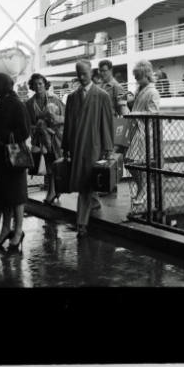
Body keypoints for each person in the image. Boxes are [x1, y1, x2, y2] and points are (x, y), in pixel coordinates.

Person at [61, 59, 114, 238]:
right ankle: (92, 211)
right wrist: (66, 147)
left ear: (91, 72)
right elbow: (68, 124)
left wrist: (107, 147)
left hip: (94, 145)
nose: (82, 77)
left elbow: (107, 123)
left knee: (85, 185)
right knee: (86, 184)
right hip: (77, 146)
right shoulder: (72, 97)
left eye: (84, 73)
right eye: (79, 74)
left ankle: (81, 222)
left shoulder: (102, 96)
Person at [0, 72, 30, 252]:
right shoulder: (3, 104)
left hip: (12, 157)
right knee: (5, 196)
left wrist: (5, 139)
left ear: (1, 86)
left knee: (16, 196)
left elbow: (24, 132)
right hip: (2, 159)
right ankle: (7, 229)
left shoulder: (16, 105)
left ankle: (17, 231)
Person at [25, 73, 65, 206]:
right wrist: (38, 126)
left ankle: (55, 190)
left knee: (56, 163)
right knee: (48, 165)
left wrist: (53, 118)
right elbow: (29, 123)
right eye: (35, 84)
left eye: (41, 83)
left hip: (55, 137)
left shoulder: (55, 99)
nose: (38, 86)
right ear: (32, 86)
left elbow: (65, 118)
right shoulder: (30, 103)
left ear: (45, 84)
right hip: (40, 139)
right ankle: (52, 191)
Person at [124, 60, 161, 201]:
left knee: (136, 163)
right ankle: (142, 189)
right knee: (131, 162)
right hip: (135, 130)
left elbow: (153, 113)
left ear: (146, 75)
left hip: (143, 132)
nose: (136, 80)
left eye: (138, 77)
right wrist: (130, 102)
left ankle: (142, 190)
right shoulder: (140, 89)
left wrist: (134, 113)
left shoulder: (153, 92)